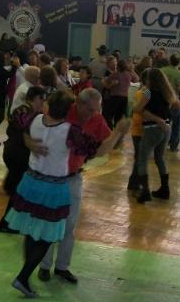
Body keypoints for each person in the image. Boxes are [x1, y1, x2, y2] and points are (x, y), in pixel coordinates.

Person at [5, 91, 123, 298]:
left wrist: (28, 140)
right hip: (53, 187)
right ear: (71, 107)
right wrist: (119, 131)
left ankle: (31, 273)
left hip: (32, 182)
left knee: (36, 232)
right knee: (49, 234)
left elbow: (17, 120)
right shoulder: (71, 131)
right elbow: (97, 151)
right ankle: (25, 276)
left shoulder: (34, 119)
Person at [37, 88, 129, 283]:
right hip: (51, 176)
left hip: (73, 176)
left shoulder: (96, 118)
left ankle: (62, 266)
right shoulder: (62, 111)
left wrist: (120, 134)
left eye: (97, 109)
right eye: (90, 109)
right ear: (78, 103)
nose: (94, 114)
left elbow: (109, 145)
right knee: (49, 222)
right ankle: (44, 265)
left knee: (70, 225)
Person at [0, 86, 45, 233]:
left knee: (16, 187)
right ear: (35, 98)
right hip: (18, 154)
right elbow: (25, 129)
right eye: (41, 99)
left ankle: (9, 221)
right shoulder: (27, 113)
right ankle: (6, 223)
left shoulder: (23, 111)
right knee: (18, 191)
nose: (43, 103)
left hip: (12, 152)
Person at [132, 68, 180, 203]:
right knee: (159, 158)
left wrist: (152, 116)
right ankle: (165, 189)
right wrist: (165, 118)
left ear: (149, 79)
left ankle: (145, 191)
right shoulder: (167, 92)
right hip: (166, 128)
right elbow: (178, 105)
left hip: (152, 129)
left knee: (142, 159)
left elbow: (137, 109)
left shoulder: (148, 92)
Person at [102, 58, 138, 130]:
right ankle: (117, 131)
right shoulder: (129, 74)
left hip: (114, 97)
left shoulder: (116, 74)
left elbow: (106, 81)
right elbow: (137, 79)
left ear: (118, 66)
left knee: (109, 114)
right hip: (125, 98)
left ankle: (110, 129)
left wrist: (106, 81)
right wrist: (132, 70)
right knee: (119, 116)